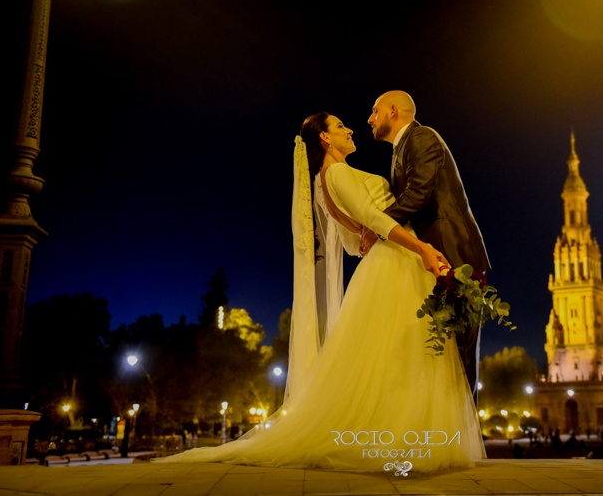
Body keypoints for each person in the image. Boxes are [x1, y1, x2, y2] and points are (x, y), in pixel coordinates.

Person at [153, 112, 485, 472]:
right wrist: (421, 248)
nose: (351, 129)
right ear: (325, 139)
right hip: (398, 261)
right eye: (341, 126)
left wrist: (378, 236)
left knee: (394, 356)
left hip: (388, 261)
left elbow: (352, 241)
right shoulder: (338, 173)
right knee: (406, 353)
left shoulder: (327, 180)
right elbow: (374, 221)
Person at [362, 90, 490, 403]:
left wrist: (377, 227)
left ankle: (465, 441)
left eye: (375, 111)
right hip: (434, 259)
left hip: (455, 255)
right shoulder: (400, 150)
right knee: (445, 354)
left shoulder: (422, 138)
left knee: (460, 353)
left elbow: (418, 196)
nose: (369, 119)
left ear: (393, 111)